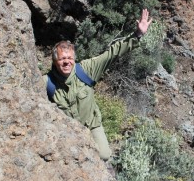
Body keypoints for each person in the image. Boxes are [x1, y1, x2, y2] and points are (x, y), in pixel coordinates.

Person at [44, 9, 152, 160]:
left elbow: (112, 53)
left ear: (74, 58)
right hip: (67, 131)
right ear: (55, 62)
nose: (67, 62)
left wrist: (137, 35)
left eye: (69, 58)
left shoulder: (86, 69)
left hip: (91, 124)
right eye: (62, 59)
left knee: (104, 155)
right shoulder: (47, 82)